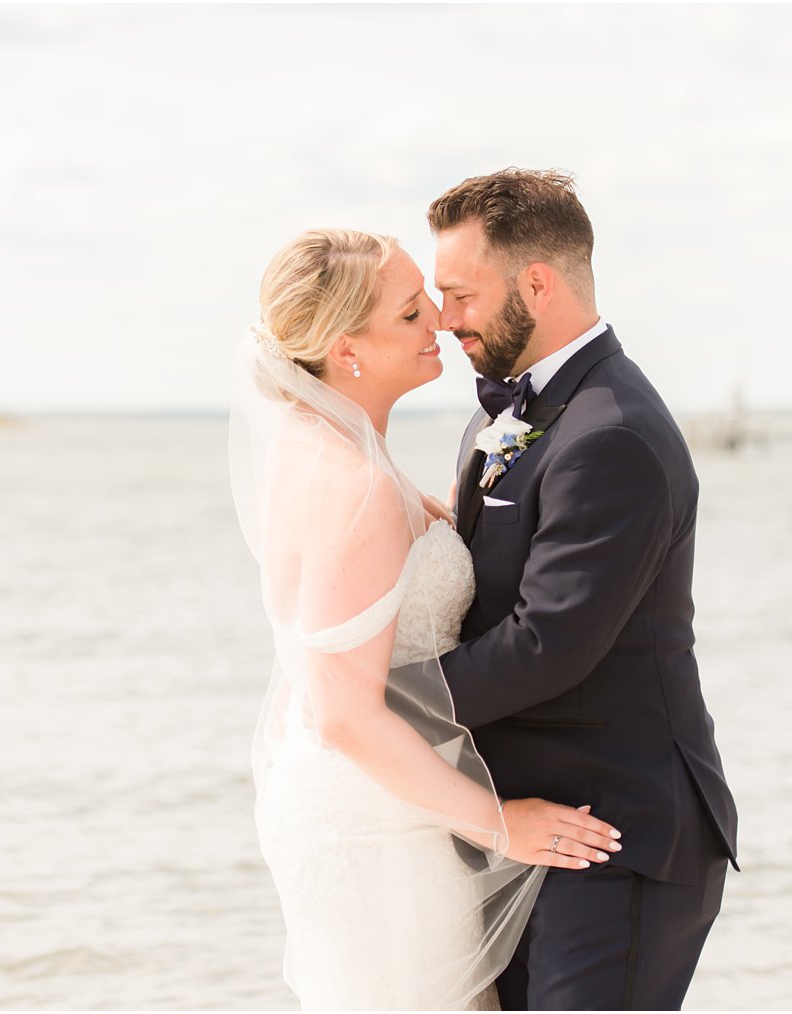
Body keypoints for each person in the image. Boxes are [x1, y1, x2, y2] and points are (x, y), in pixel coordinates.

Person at [229, 228, 621, 1010]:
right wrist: (498, 825)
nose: (440, 321)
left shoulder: (331, 452)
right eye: (411, 313)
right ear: (348, 350)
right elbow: (344, 716)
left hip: (374, 801)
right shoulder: (355, 487)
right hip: (376, 827)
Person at [431, 168, 740, 1009]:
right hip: (526, 833)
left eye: (460, 294)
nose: (444, 317)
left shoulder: (614, 435)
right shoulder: (504, 414)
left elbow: (546, 643)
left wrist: (380, 705)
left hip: (616, 837)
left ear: (537, 282)